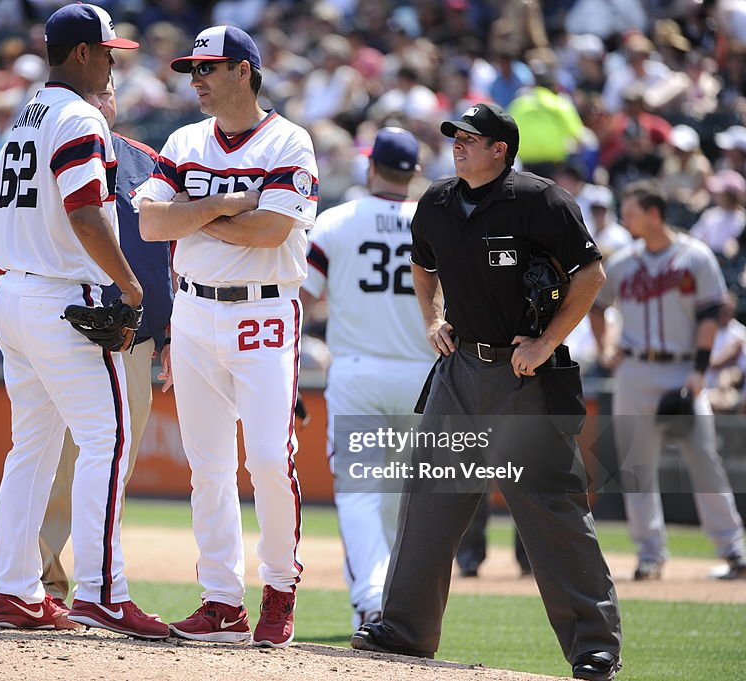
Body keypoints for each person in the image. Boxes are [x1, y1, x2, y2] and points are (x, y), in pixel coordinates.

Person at [350, 103, 623, 681]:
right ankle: (403, 631)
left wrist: (546, 343)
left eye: (470, 137)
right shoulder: (438, 201)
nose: (457, 144)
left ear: (501, 147)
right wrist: (433, 318)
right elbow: (422, 267)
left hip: (523, 376)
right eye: (454, 136)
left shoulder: (539, 199)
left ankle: (594, 646)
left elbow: (591, 275)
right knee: (429, 503)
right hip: (459, 375)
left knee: (551, 510)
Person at [132, 25, 318, 648]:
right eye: (192, 70)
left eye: (208, 68)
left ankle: (280, 588)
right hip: (192, 313)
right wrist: (224, 205)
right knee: (207, 467)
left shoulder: (290, 140)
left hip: (264, 312)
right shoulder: (185, 138)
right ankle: (221, 601)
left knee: (268, 457)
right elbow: (153, 223)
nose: (198, 81)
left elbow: (270, 232)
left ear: (245, 70)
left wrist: (198, 211)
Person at [0, 3, 167, 640]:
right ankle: (102, 592)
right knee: (108, 439)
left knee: (31, 449)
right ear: (84, 54)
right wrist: (129, 283)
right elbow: (87, 213)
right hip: (65, 295)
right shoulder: (78, 115)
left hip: (13, 290)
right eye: (108, 52)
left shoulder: (24, 116)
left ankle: (16, 589)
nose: (114, 62)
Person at [39, 75, 174, 609]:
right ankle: (42, 584)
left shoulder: (148, 161)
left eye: (107, 93)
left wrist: (166, 331)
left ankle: (99, 584)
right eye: (89, 93)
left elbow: (172, 250)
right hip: (68, 331)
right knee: (52, 464)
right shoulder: (54, 150)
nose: (99, 101)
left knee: (114, 465)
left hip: (132, 343)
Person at [300, 127, 435, 628]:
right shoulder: (433, 222)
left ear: (370, 166)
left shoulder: (336, 221)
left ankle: (372, 600)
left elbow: (304, 300)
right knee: (402, 498)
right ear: (414, 173)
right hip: (423, 373)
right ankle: (394, 604)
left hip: (357, 370)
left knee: (359, 492)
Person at [590, 180, 746, 582]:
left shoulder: (695, 256)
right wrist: (607, 347)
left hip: (682, 371)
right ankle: (650, 554)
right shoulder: (623, 262)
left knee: (704, 459)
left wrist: (698, 371)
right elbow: (597, 307)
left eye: (631, 211)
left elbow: (710, 315)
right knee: (637, 467)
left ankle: (733, 549)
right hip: (636, 371)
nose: (625, 218)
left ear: (654, 213)